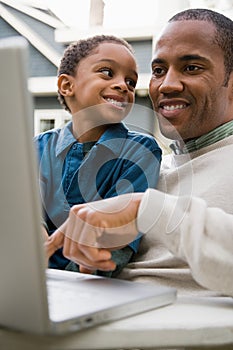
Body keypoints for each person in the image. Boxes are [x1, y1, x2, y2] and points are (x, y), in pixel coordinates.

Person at [45, 8, 233, 297]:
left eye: (192, 67)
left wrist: (147, 211)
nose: (166, 84)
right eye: (158, 71)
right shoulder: (144, 167)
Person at [35, 35, 162, 276]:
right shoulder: (38, 148)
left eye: (131, 82)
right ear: (66, 85)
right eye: (106, 72)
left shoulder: (141, 152)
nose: (123, 85)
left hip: (89, 284)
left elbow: (114, 246)